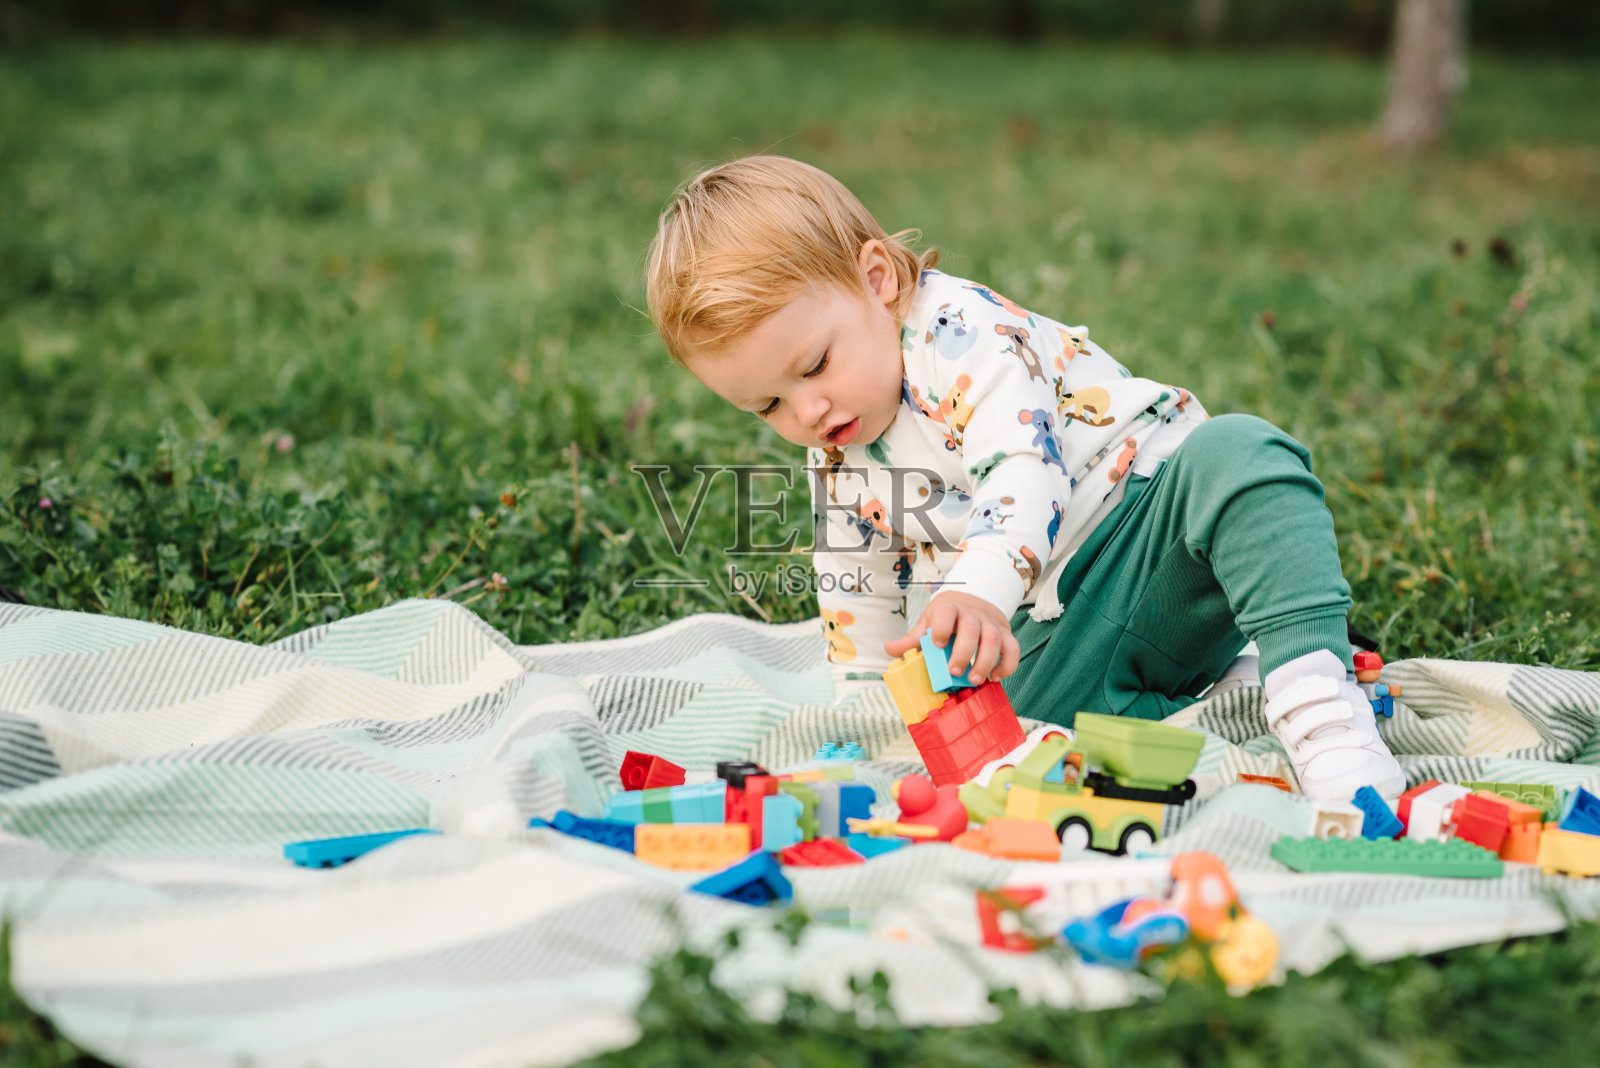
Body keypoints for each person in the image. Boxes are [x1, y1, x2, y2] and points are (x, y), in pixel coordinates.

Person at [644, 155, 1403, 801]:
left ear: (875, 279)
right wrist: (869, 715)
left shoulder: (961, 335)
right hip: (1060, 620)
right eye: (767, 404)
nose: (806, 410)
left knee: (1241, 456)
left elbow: (1024, 469)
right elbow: (855, 579)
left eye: (814, 366)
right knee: (1012, 727)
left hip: (1151, 526)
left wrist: (976, 591)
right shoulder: (838, 450)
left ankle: (1313, 690)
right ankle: (1214, 688)